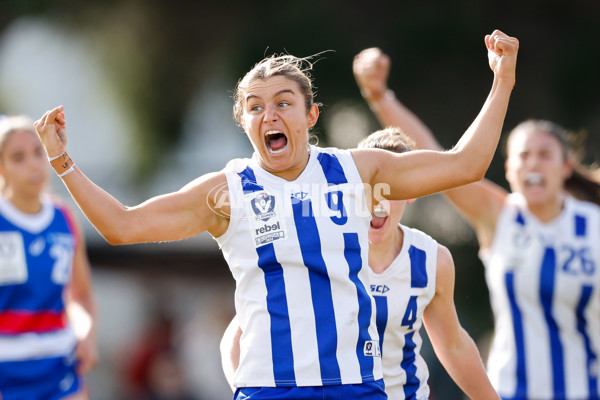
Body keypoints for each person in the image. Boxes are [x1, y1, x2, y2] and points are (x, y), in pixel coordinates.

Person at [34, 29, 518, 400]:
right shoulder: (227, 192)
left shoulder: (357, 172)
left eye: (284, 103)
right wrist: (62, 162)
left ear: (310, 116)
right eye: (255, 106)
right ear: (243, 121)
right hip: (270, 388)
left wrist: (502, 80)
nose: (269, 115)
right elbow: (122, 226)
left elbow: (465, 165)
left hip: (358, 386)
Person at [353, 47, 600, 400]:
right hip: (513, 391)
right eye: (523, 156)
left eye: (544, 155)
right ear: (509, 170)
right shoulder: (500, 216)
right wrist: (379, 97)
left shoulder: (594, 225)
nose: (533, 164)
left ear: (565, 169)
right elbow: (435, 159)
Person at [220, 127, 502, 400]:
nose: (379, 202)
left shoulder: (431, 259)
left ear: (414, 190)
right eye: (368, 188)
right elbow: (237, 338)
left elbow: (453, 346)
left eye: (391, 189)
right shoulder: (317, 250)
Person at [0, 115, 98, 400]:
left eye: (37, 152)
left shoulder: (63, 217)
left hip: (60, 367)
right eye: (18, 157)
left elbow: (81, 295)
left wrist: (86, 333)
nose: (32, 164)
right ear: (2, 168)